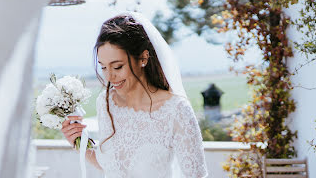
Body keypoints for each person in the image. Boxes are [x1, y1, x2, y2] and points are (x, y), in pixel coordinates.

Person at [61, 12, 208, 178]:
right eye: (103, 67)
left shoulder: (176, 110)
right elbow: (109, 166)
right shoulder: (106, 102)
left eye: (117, 67)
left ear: (143, 58)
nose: (109, 77)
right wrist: (77, 142)